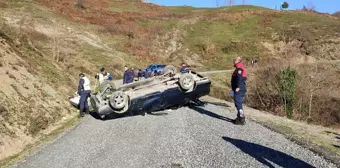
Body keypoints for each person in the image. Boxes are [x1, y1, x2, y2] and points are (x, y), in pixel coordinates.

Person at [230, 57, 247, 125]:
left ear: (238, 61)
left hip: (239, 89)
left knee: (238, 103)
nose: (233, 61)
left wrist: (238, 87)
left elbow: (240, 78)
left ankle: (241, 120)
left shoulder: (239, 68)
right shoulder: (239, 67)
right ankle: (238, 118)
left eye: (235, 60)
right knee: (238, 103)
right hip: (239, 89)